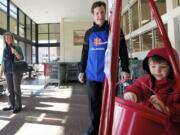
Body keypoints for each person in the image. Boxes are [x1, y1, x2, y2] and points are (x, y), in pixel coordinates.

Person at [78, 1, 130, 135]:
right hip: (92, 76)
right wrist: (81, 70)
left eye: (102, 12)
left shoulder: (114, 29)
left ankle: (108, 129)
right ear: (92, 15)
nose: (100, 16)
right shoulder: (88, 33)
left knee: (108, 105)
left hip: (108, 76)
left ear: (105, 13)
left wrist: (125, 69)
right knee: (94, 107)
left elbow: (123, 51)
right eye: (97, 13)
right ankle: (94, 130)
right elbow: (84, 53)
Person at [124, 47, 180, 135]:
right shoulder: (145, 80)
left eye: (163, 67)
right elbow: (137, 87)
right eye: (153, 66)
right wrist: (131, 93)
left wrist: (166, 109)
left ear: (172, 67)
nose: (157, 70)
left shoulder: (177, 86)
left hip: (167, 130)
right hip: (143, 126)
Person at [0, 32, 24, 113]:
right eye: (7, 38)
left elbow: (21, 58)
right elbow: (3, 62)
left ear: (12, 38)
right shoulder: (5, 49)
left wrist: (15, 52)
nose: (8, 39)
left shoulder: (17, 47)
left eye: (10, 38)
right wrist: (0, 73)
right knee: (10, 89)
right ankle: (12, 105)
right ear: (5, 40)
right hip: (7, 71)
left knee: (16, 88)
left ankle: (18, 106)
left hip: (16, 71)